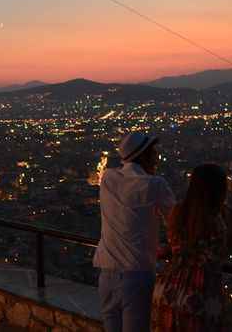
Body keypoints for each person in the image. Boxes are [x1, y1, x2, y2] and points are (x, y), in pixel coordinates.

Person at [151, 164, 232, 331]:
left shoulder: (178, 211)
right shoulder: (223, 215)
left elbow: (174, 247)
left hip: (167, 289)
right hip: (201, 292)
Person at [94, 131, 176, 332]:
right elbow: (176, 220)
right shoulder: (155, 185)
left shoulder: (108, 179)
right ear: (144, 155)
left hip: (107, 273)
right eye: (153, 152)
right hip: (137, 273)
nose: (157, 156)